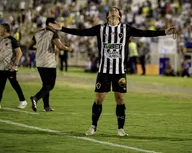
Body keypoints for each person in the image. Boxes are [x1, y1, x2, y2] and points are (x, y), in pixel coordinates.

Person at [49, 7, 177, 136]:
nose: (114, 11)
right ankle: (93, 126)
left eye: (116, 10)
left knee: (120, 99)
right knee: (99, 99)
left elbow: (145, 33)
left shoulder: (126, 29)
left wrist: (164, 32)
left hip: (119, 71)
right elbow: (81, 32)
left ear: (120, 16)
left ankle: (121, 129)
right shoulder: (100, 29)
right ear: (107, 16)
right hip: (104, 70)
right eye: (111, 10)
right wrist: (63, 28)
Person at [28, 17, 72, 112]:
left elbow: (29, 46)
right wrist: (68, 48)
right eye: (55, 23)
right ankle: (35, 98)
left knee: (45, 85)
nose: (57, 25)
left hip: (39, 62)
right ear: (50, 24)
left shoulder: (37, 32)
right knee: (50, 85)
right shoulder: (53, 33)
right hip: (49, 62)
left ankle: (46, 106)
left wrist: (39, 48)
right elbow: (59, 46)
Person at [0, 23, 27, 109]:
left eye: (0, 29)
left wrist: (15, 65)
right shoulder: (1, 40)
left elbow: (19, 52)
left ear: (4, 30)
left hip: (10, 67)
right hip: (1, 67)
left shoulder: (13, 40)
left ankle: (23, 101)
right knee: (0, 86)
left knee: (15, 85)